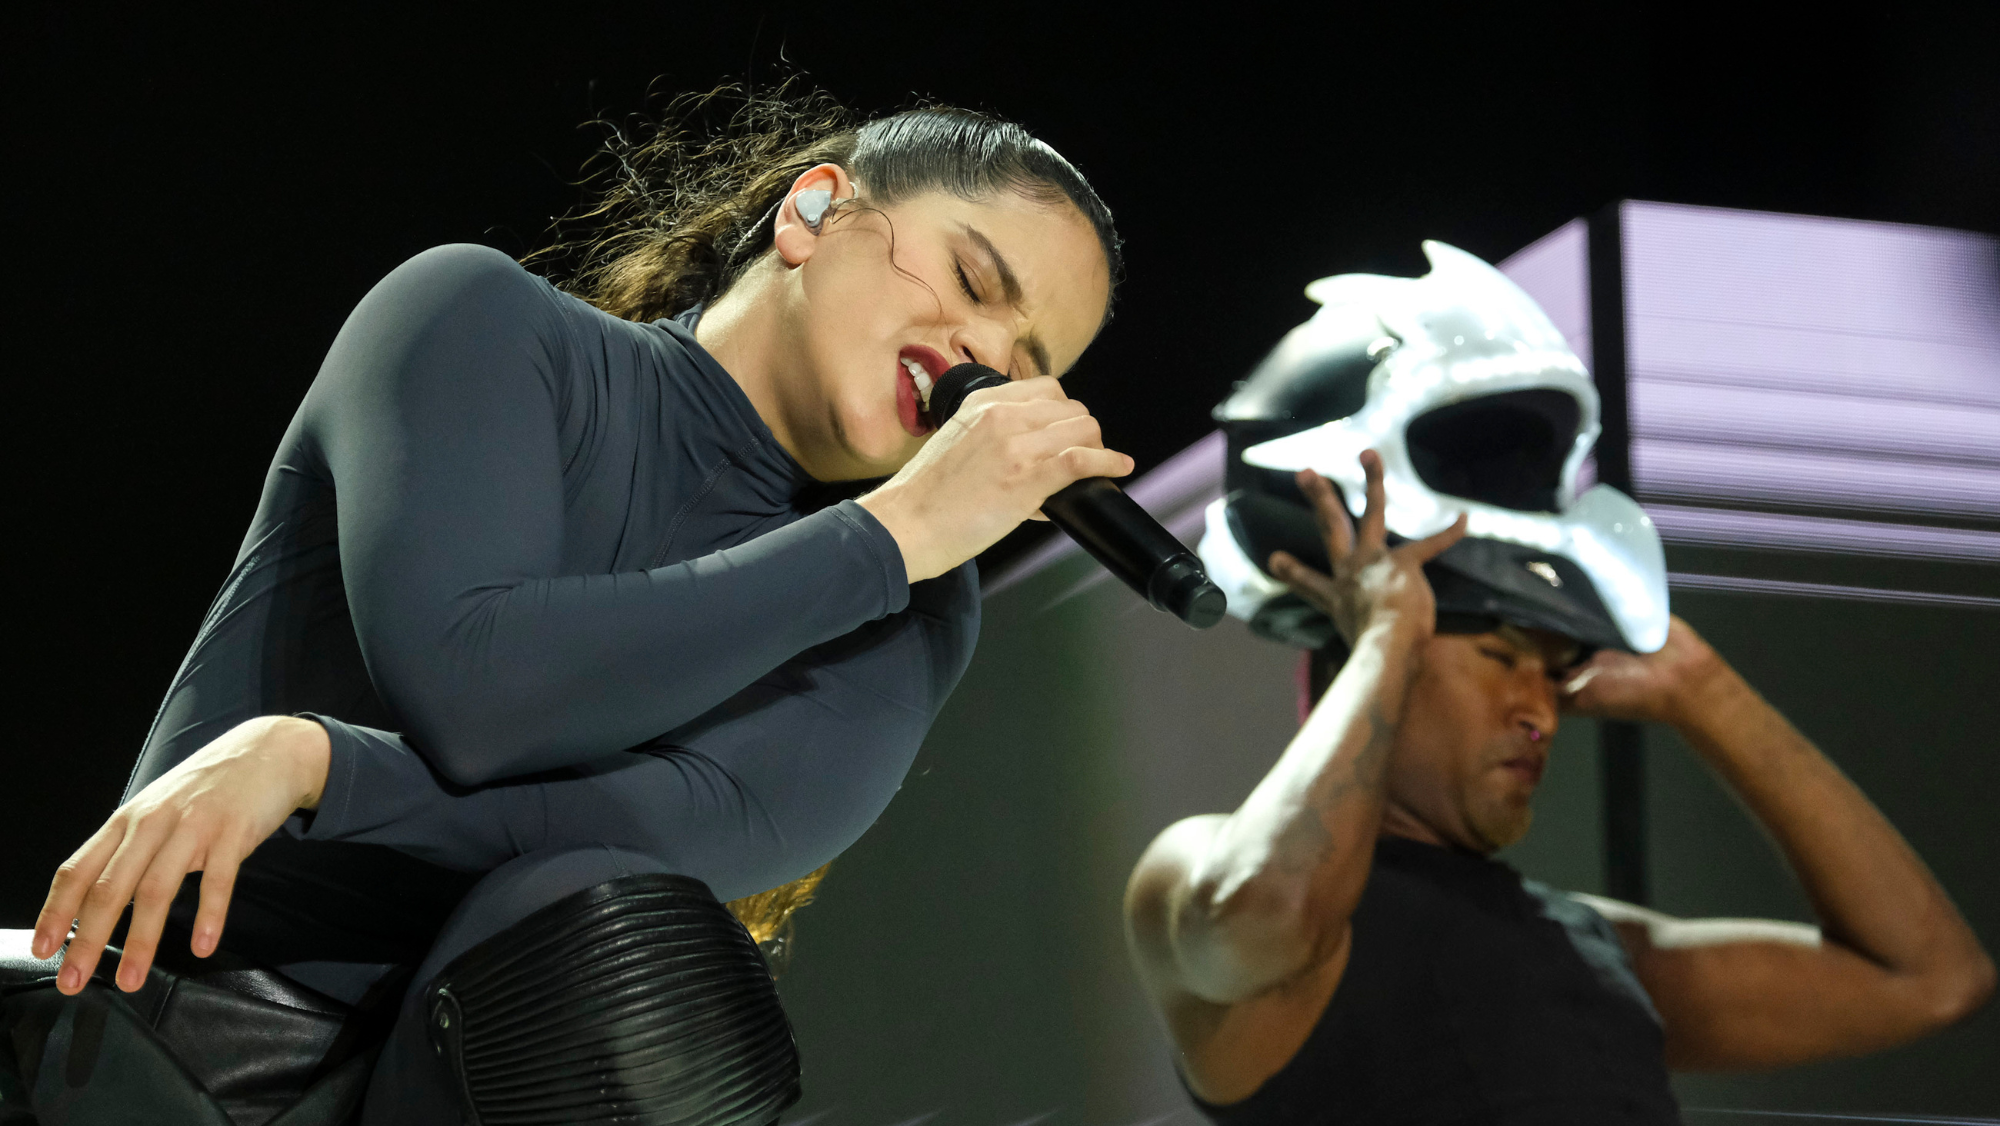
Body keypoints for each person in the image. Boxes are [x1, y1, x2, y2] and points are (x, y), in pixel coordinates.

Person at [7, 88, 1130, 1125]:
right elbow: (477, 688)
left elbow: (634, 845)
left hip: (472, 1085)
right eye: (974, 285)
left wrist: (320, 768)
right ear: (815, 211)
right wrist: (891, 533)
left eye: (1027, 361)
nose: (982, 358)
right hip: (160, 1047)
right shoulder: (479, 321)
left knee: (623, 937)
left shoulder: (913, 616)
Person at [1123, 244, 1994, 1124]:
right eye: (1502, 656)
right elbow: (1267, 916)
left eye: (1553, 670)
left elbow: (1926, 978)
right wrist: (1389, 631)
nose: (1539, 708)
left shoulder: (1596, 946)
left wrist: (1705, 691)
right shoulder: (1199, 872)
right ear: (1358, 651)